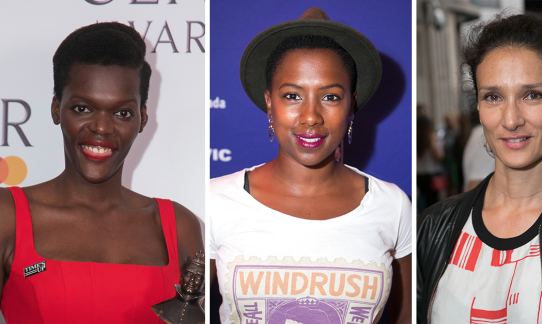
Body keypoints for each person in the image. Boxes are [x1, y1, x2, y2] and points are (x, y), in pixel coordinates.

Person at [210, 8, 412, 324]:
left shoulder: (393, 205)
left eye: (330, 97)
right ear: (269, 102)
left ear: (351, 106)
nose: (310, 116)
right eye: (292, 95)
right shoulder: (215, 201)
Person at [417, 13, 542, 323]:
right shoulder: (431, 229)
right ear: (479, 108)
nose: (510, 120)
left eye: (532, 95)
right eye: (493, 96)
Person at [0, 23, 203, 323]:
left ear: (143, 119)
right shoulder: (8, 215)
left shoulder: (178, 225)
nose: (102, 128)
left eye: (122, 113)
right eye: (83, 108)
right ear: (57, 108)